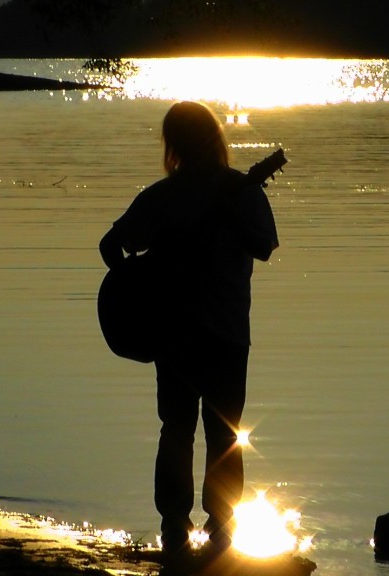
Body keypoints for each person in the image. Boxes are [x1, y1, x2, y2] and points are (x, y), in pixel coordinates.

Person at [99, 101, 279, 559]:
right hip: (225, 331)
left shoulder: (164, 195)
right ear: (215, 139)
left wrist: (134, 279)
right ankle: (219, 531)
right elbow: (264, 248)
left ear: (174, 145)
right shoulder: (238, 191)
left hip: (176, 331)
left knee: (177, 428)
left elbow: (110, 244)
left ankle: (175, 528)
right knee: (222, 433)